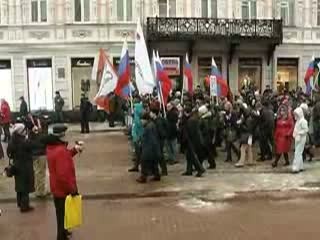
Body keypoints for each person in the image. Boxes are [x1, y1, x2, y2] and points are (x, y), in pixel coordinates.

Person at [44, 124, 83, 240]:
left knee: (62, 213)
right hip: (62, 189)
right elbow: (63, 175)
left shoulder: (53, 147)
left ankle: (64, 232)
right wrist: (72, 189)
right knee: (62, 215)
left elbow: (65, 156)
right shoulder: (60, 150)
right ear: (61, 136)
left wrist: (74, 150)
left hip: (56, 186)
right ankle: (61, 236)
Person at [7, 123, 36, 213]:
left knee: (19, 186)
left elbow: (9, 153)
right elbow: (33, 145)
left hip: (16, 165)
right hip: (25, 166)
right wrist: (33, 134)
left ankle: (20, 203)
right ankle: (24, 206)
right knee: (25, 187)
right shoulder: (24, 141)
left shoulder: (12, 140)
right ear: (21, 132)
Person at [136, 112, 161, 183]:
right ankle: (157, 176)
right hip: (153, 148)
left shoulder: (149, 127)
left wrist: (147, 150)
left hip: (149, 149)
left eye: (141, 120)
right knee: (153, 163)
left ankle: (143, 177)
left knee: (144, 162)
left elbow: (151, 140)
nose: (141, 122)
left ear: (145, 119)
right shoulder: (151, 125)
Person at [182, 107, 205, 177]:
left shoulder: (191, 120)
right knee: (189, 156)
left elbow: (190, 132)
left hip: (192, 141)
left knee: (192, 156)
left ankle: (200, 169)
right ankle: (189, 170)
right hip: (194, 140)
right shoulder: (193, 119)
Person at [128, 99, 144, 172]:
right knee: (137, 154)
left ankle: (144, 169)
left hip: (138, 138)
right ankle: (136, 166)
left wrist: (137, 137)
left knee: (140, 154)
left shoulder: (138, 118)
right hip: (136, 137)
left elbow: (138, 126)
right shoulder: (136, 116)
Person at [198, 105, 216, 169]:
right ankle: (211, 164)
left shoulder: (204, 119)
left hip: (205, 138)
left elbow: (205, 129)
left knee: (207, 152)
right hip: (207, 137)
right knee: (207, 152)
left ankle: (210, 164)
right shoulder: (206, 118)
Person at [292, 107, 309, 173]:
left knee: (297, 153)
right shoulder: (298, 121)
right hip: (297, 138)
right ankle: (300, 166)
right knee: (298, 152)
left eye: (296, 114)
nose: (295, 116)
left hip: (301, 138)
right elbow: (296, 129)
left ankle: (296, 167)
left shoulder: (303, 121)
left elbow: (306, 130)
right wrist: (295, 134)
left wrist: (299, 133)